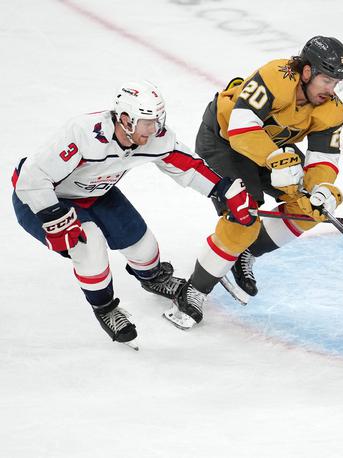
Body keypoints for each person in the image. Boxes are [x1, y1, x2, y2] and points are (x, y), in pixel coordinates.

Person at [11, 81, 256, 347]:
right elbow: (32, 178)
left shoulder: (152, 136)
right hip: (41, 198)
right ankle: (105, 308)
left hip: (94, 194)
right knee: (88, 246)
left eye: (158, 120)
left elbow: (187, 164)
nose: (155, 129)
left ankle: (152, 278)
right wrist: (52, 216)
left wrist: (222, 189)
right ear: (126, 119)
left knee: (143, 246)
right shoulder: (82, 134)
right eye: (148, 122)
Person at [165, 36, 343, 329]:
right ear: (306, 72)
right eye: (326, 80)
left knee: (308, 210)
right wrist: (275, 158)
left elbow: (323, 157)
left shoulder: (331, 109)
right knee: (243, 216)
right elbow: (241, 128)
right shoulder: (276, 76)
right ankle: (194, 291)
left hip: (271, 152)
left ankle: (245, 253)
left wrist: (321, 189)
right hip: (224, 141)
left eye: (337, 83)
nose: (331, 89)